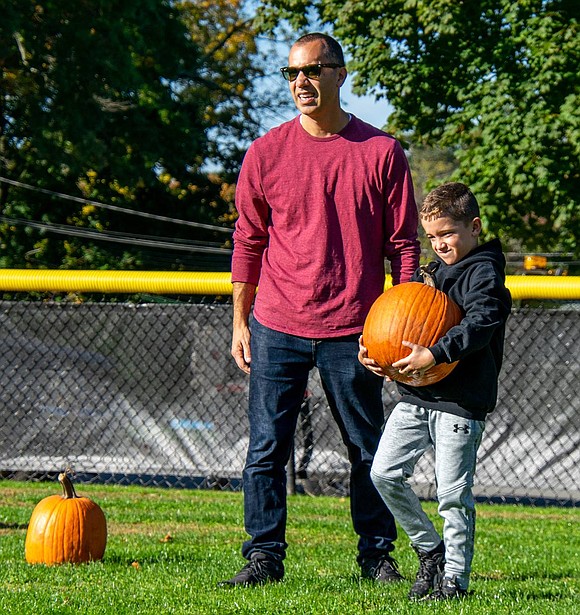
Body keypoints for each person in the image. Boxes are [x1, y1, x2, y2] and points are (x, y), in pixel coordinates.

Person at [220, 32, 421, 586]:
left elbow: (403, 246)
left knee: (367, 452)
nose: (301, 82)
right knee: (265, 450)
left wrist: (398, 325)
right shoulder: (265, 153)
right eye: (292, 74)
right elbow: (248, 240)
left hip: (356, 331)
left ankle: (376, 558)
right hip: (276, 325)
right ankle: (263, 557)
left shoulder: (381, 152)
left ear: (339, 74)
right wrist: (240, 320)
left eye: (312, 70)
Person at [359, 182, 512, 601]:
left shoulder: (485, 273)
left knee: (451, 494)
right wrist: (374, 353)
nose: (440, 244)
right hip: (415, 396)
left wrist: (437, 353)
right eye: (433, 237)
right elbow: (398, 323)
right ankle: (431, 551)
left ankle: (454, 582)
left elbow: (481, 322)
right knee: (384, 473)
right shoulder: (431, 273)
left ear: (474, 227)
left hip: (461, 404)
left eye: (448, 233)